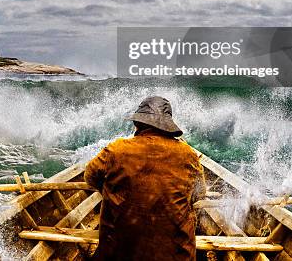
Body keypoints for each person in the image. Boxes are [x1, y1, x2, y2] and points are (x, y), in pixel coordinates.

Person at [85, 96, 206, 261]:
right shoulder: (188, 154)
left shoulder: (116, 150)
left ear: (137, 124)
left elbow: (90, 177)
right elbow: (199, 194)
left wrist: (114, 191)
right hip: (177, 255)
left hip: (118, 253)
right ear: (167, 126)